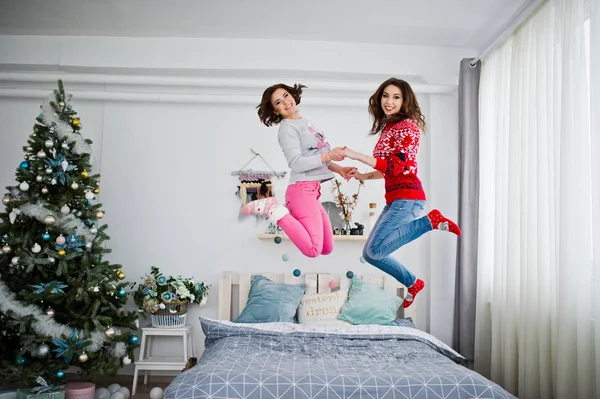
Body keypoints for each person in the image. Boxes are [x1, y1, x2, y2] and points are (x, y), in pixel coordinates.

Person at [343, 78, 461, 308]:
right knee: (370, 254)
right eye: (385, 95)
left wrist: (356, 154)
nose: (389, 101)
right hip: (397, 198)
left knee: (376, 251)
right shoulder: (390, 127)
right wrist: (363, 176)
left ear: (405, 100)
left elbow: (398, 166)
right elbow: (388, 168)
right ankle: (413, 283)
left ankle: (430, 222)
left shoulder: (407, 126)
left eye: (396, 97)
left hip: (408, 198)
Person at [241, 83, 355, 258]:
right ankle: (272, 209)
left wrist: (340, 169)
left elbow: (315, 157)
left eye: (286, 95)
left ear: (293, 95)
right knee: (313, 250)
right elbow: (297, 163)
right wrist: (328, 155)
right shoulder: (287, 128)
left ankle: (282, 210)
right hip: (301, 191)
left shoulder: (303, 122)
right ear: (275, 111)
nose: (286, 102)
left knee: (327, 248)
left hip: (312, 193)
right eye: (278, 102)